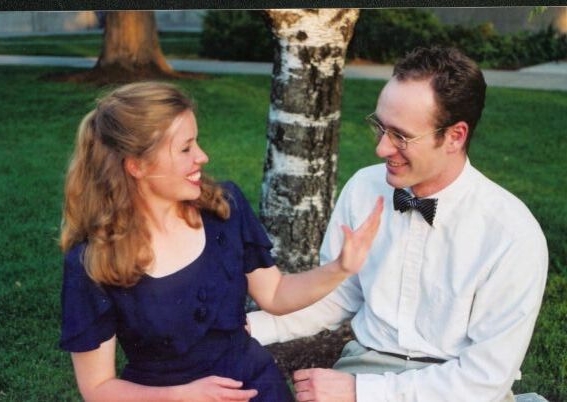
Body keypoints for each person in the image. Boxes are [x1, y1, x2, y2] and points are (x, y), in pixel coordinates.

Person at [248, 46, 548, 402]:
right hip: (364, 364)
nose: (381, 149)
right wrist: (248, 328)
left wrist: (361, 392)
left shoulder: (512, 234)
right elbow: (335, 296)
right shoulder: (363, 188)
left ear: (454, 136)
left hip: (458, 388)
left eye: (401, 136)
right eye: (380, 127)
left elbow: (484, 379)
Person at [59, 81, 384, 402]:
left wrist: (340, 268)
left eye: (196, 143)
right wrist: (183, 396)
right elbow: (98, 387)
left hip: (257, 387)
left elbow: (274, 293)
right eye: (185, 149)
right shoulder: (94, 260)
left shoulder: (223, 209)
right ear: (137, 166)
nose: (202, 156)